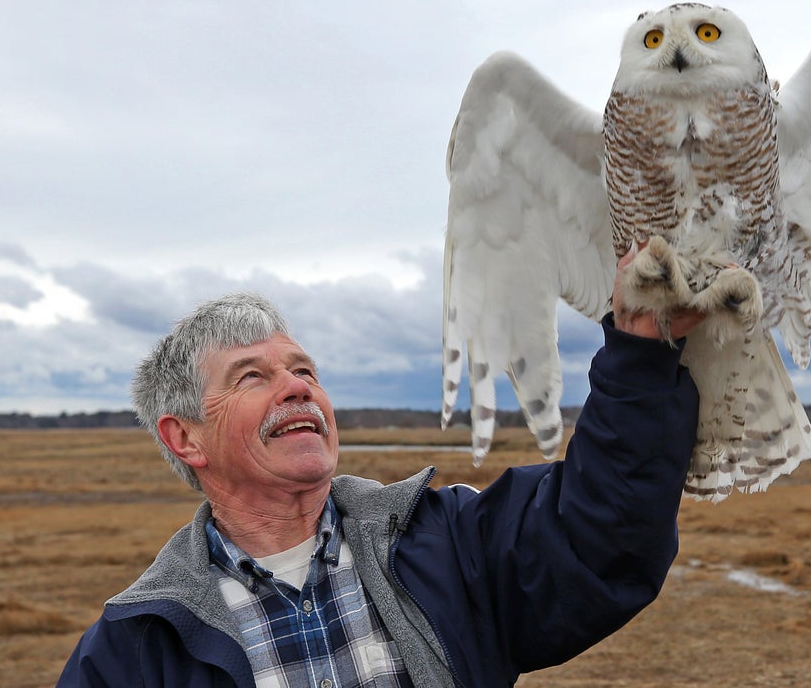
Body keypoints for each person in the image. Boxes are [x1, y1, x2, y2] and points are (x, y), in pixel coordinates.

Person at [58, 252, 704, 687]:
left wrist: (641, 348)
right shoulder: (134, 650)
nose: (297, 389)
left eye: (304, 370)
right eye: (253, 376)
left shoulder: (447, 546)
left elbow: (601, 530)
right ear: (186, 438)